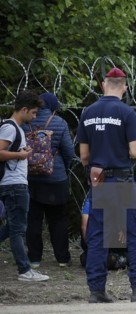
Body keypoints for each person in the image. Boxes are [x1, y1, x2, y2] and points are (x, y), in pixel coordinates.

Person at [76, 67, 136, 303]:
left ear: (104, 85)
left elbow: (84, 156)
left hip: (99, 182)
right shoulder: (126, 113)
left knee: (97, 236)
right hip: (122, 181)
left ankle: (97, 291)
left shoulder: (88, 112)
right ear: (124, 87)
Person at [0, 90, 49, 282]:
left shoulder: (15, 128)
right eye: (34, 113)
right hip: (14, 185)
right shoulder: (10, 128)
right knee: (18, 230)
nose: (35, 116)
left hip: (14, 183)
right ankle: (24, 270)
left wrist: (20, 153)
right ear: (24, 109)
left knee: (12, 227)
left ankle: (25, 269)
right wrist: (20, 156)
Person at [22, 92, 76, 268]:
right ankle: (62, 258)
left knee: (33, 220)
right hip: (56, 178)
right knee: (58, 220)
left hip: (30, 178)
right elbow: (69, 152)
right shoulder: (59, 122)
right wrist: (63, 168)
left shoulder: (26, 121)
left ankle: (34, 259)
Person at [79, 197, 128, 270]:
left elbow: (84, 227)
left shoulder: (90, 198)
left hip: (99, 239)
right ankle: (118, 259)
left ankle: (104, 259)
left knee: (86, 258)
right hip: (109, 239)